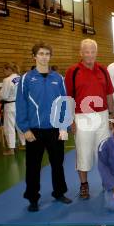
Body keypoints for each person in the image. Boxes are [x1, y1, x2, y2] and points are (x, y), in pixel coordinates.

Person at [16, 42, 72, 212]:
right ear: (34, 56)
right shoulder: (26, 79)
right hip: (35, 130)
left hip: (55, 129)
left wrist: (64, 127)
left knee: (57, 163)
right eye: (40, 53)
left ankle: (59, 192)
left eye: (47, 53)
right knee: (33, 166)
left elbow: (64, 104)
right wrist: (25, 129)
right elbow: (21, 105)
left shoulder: (58, 78)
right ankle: (33, 198)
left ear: (50, 56)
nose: (44, 56)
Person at [65, 39, 114, 200]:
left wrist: (112, 116)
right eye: (86, 51)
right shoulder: (72, 71)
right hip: (82, 117)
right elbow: (68, 98)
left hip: (102, 115)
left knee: (103, 152)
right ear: (81, 53)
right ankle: (84, 185)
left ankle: (106, 182)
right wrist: (71, 120)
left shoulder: (102, 69)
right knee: (83, 152)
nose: (90, 55)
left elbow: (109, 93)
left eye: (93, 51)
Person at [0, 62, 25, 155]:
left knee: (9, 127)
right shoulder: (20, 78)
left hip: (10, 106)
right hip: (20, 105)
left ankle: (11, 149)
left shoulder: (7, 80)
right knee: (20, 126)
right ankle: (24, 144)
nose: (3, 72)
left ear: (9, 69)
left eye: (4, 70)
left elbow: (4, 95)